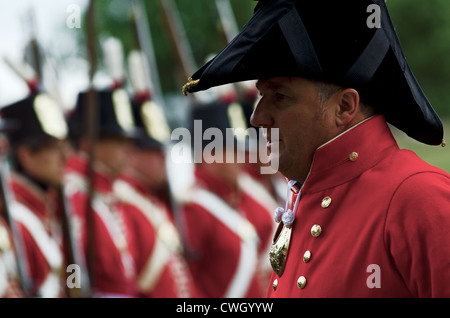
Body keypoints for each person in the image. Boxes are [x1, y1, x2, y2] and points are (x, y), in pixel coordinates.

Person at [182, 0, 450, 297]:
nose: (257, 117)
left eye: (280, 96)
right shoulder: (302, 197)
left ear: (344, 107)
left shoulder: (417, 198)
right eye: (261, 95)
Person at [179, 100, 274, 297]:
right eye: (233, 150)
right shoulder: (194, 208)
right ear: (209, 155)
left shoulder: (241, 195)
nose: (242, 158)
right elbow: (187, 281)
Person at [113, 98, 197, 298]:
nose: (163, 158)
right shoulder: (123, 202)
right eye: (154, 151)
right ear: (131, 153)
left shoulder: (152, 200)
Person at [64, 88, 139, 297]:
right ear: (89, 143)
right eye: (118, 141)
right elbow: (72, 276)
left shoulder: (108, 193)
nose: (128, 150)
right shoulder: (74, 197)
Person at [0, 93, 70, 297]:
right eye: (55, 148)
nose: (66, 157)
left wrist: (75, 286)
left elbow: (70, 276)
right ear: (26, 155)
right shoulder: (17, 220)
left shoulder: (47, 212)